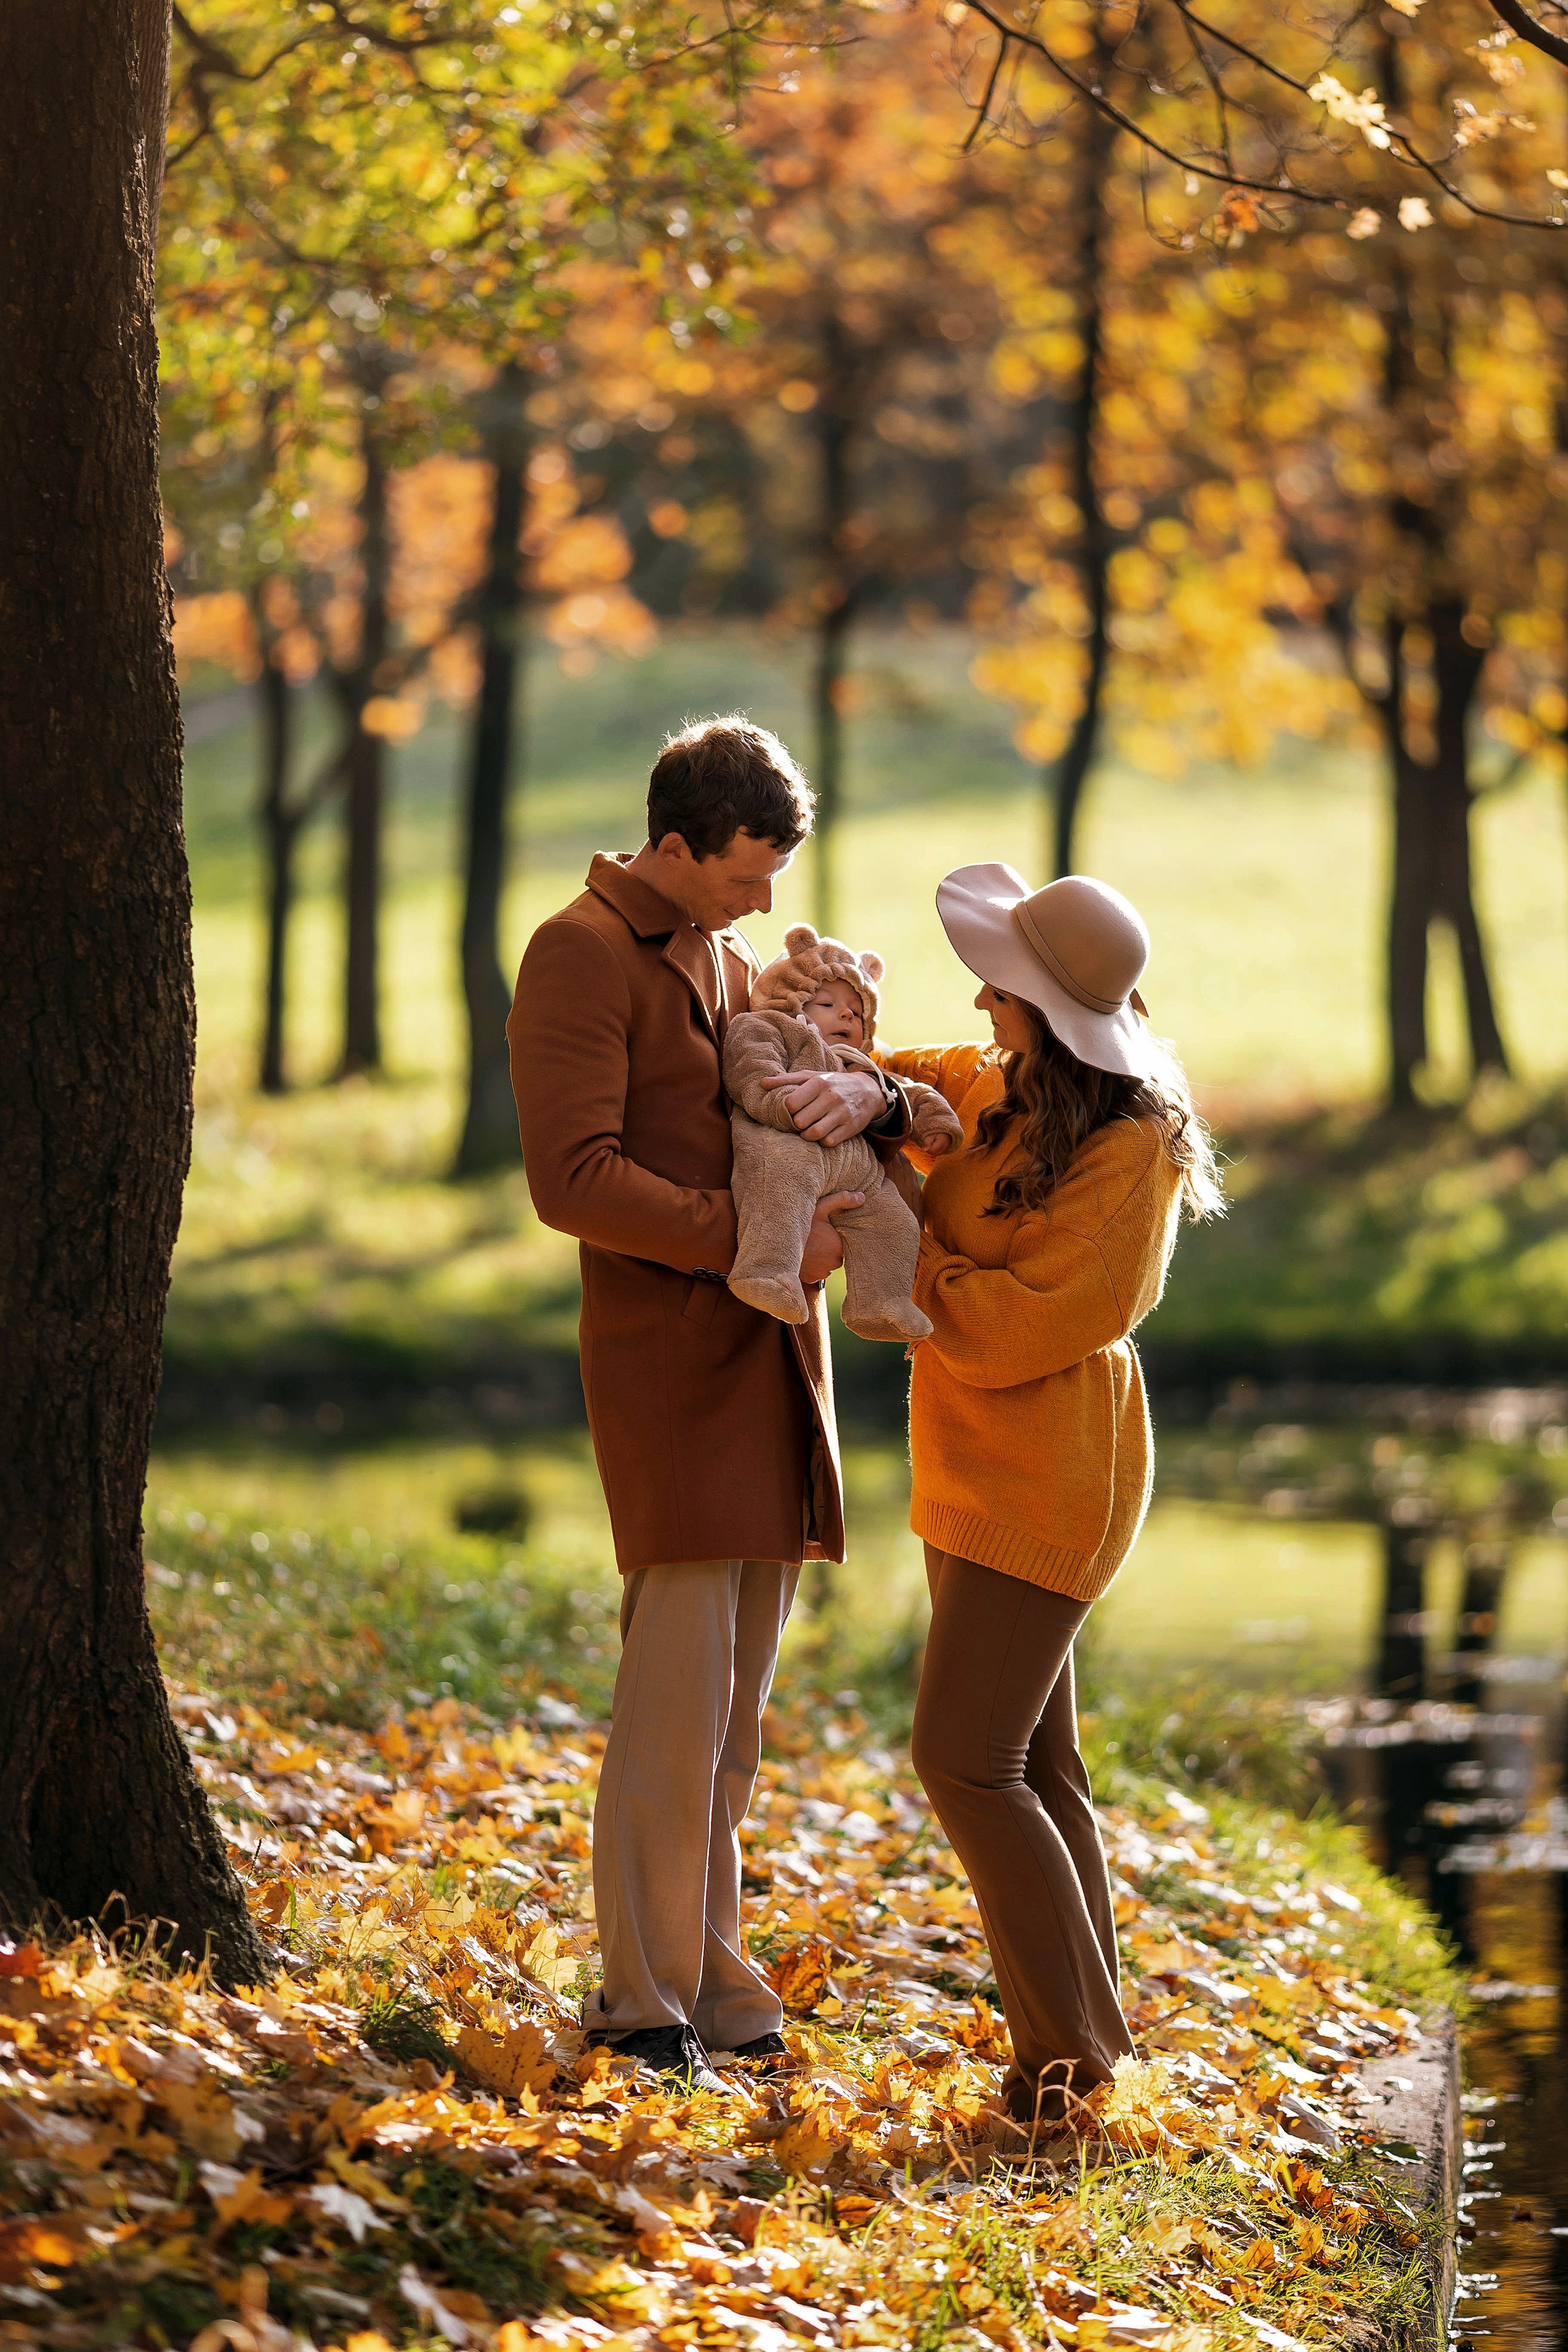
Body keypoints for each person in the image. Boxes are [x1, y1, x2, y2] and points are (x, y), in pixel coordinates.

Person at [505, 716, 914, 2091]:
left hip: (773, 1358)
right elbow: (573, 1178)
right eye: (744, 874)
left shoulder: (727, 956)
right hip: (671, 1362)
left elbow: (784, 1115)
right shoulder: (577, 951)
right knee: (674, 1699)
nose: (763, 904)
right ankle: (638, 1995)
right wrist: (753, 1239)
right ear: (672, 848)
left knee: (735, 1709)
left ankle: (713, 1967)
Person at [882, 863, 1224, 2133]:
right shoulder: (1001, 1087)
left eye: (1001, 986)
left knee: (960, 1760)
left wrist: (895, 1246)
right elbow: (881, 1064)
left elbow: (1025, 1329)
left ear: (1049, 1009)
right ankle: (1085, 2061)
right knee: (1032, 1761)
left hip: (1052, 1476)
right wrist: (847, 1071)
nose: (976, 998)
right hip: (973, 1467)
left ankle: (1070, 2073)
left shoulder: (1130, 1152)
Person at [722, 921, 963, 1340]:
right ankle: (767, 1273)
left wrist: (933, 1122)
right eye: (828, 1003)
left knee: (896, 1223)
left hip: (856, 1169)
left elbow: (909, 1091)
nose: (846, 1013)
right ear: (792, 998)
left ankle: (881, 1303)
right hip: (784, 1143)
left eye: (856, 1009)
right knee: (779, 1195)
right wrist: (785, 1105)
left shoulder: (859, 1063)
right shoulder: (769, 1028)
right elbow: (751, 1071)